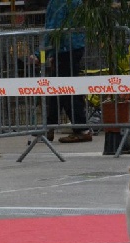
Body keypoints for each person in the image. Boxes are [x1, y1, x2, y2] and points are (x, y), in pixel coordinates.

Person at [29, 0, 92, 144]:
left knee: (65, 92)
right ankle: (50, 127)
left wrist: (40, 53)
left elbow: (54, 29)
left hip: (65, 49)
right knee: (60, 91)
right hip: (72, 47)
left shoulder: (59, 1)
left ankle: (81, 129)